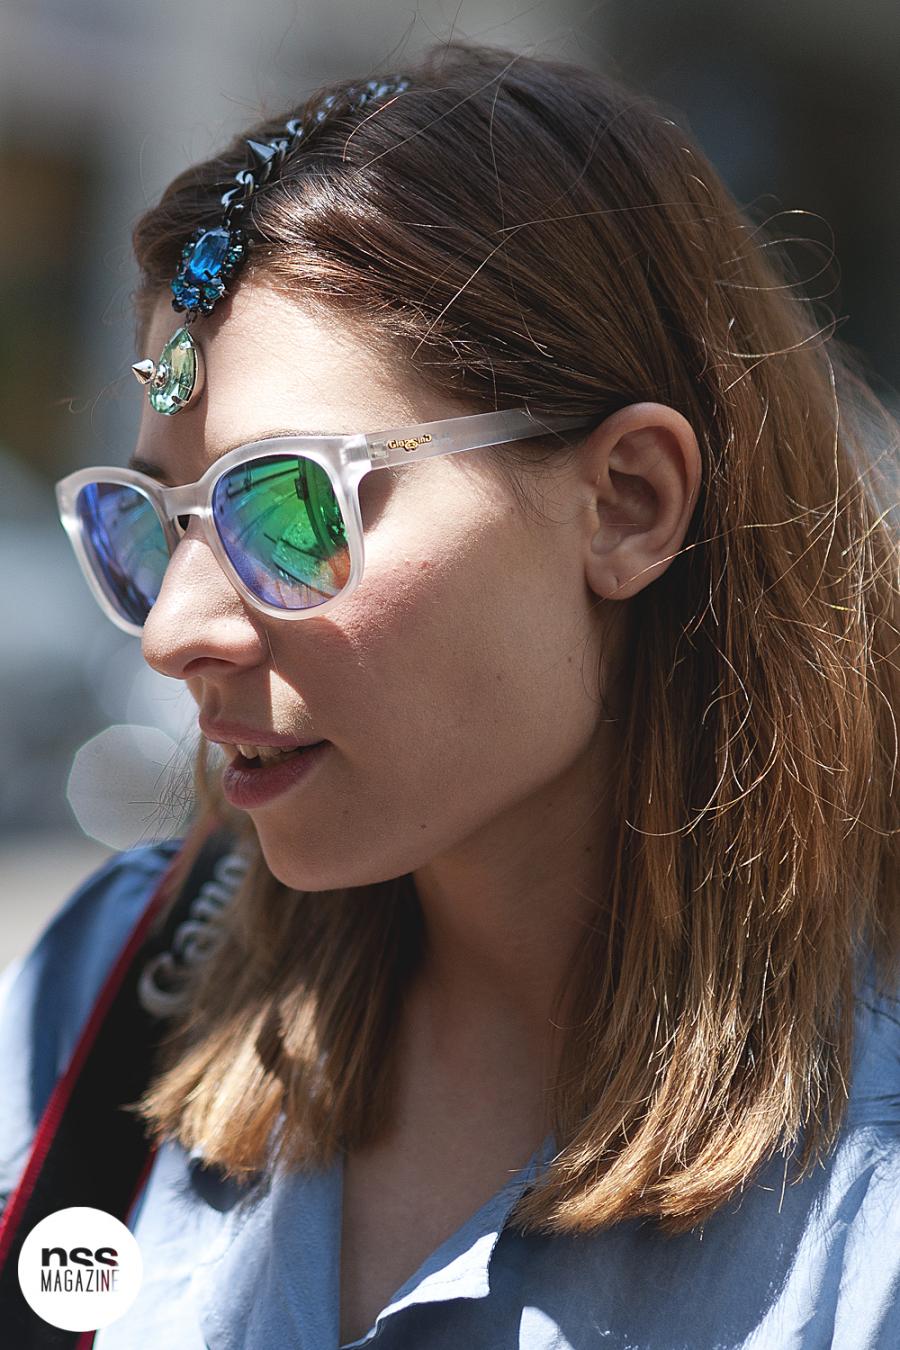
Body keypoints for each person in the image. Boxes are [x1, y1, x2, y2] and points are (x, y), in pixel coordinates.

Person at [1, 37, 898, 1349]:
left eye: (288, 505)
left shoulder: (861, 1215)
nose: (175, 632)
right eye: (147, 525)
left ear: (629, 502)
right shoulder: (114, 990)